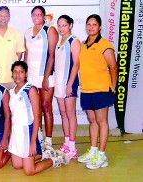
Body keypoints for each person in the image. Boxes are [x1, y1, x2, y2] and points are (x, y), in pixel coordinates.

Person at [8, 61, 69, 176]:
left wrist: (32, 142)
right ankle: (45, 154)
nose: (18, 75)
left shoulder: (30, 90)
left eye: (21, 72)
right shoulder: (12, 91)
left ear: (26, 74)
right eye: (15, 72)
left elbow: (37, 117)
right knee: (16, 165)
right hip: (17, 133)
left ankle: (56, 159)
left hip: (28, 132)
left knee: (29, 171)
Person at [77, 14, 118, 169]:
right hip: (86, 89)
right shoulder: (82, 44)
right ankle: (93, 150)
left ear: (99, 27)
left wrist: (113, 85)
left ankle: (101, 155)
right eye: (88, 24)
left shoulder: (105, 45)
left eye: (94, 24)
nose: (91, 27)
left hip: (101, 89)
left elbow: (113, 67)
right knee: (92, 120)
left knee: (102, 121)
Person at [24, 6, 58, 147]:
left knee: (46, 107)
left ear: (44, 16)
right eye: (34, 15)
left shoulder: (50, 30)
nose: (37, 17)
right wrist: (25, 76)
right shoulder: (27, 32)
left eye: (40, 14)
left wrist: (45, 77)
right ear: (31, 16)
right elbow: (26, 54)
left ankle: (49, 140)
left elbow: (52, 55)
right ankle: (38, 136)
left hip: (46, 75)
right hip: (31, 75)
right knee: (35, 108)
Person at [54, 15, 80, 159]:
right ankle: (66, 143)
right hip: (58, 83)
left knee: (70, 114)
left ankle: (72, 147)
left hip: (69, 83)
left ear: (70, 25)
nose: (61, 28)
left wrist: (70, 84)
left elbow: (76, 64)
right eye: (59, 25)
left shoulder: (74, 41)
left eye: (64, 25)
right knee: (63, 114)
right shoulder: (59, 41)